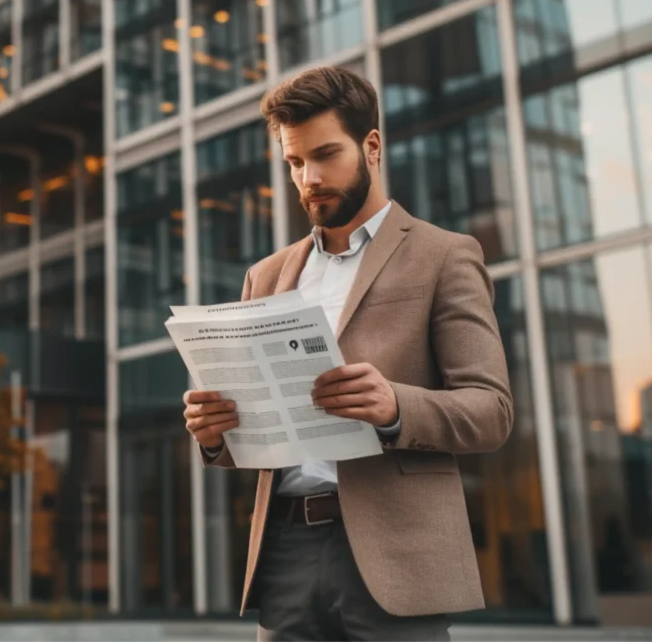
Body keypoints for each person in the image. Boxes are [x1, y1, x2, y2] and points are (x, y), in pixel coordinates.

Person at [182, 66, 513, 641]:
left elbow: (492, 411)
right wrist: (216, 434)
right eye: (294, 163)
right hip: (285, 553)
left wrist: (395, 408)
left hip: (397, 556)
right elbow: (262, 433)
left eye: (325, 155)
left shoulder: (444, 255)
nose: (308, 178)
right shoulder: (265, 276)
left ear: (372, 145)